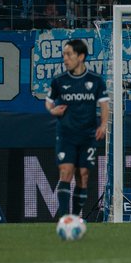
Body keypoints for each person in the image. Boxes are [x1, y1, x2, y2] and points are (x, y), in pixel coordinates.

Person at [45, 39, 108, 220]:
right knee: (66, 172)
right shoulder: (59, 81)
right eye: (64, 55)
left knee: (83, 176)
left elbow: (104, 105)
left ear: (80, 57)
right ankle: (66, 219)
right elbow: (48, 101)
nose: (65, 59)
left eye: (69, 54)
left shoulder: (96, 80)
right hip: (66, 134)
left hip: (88, 135)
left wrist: (103, 124)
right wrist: (52, 110)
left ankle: (75, 216)